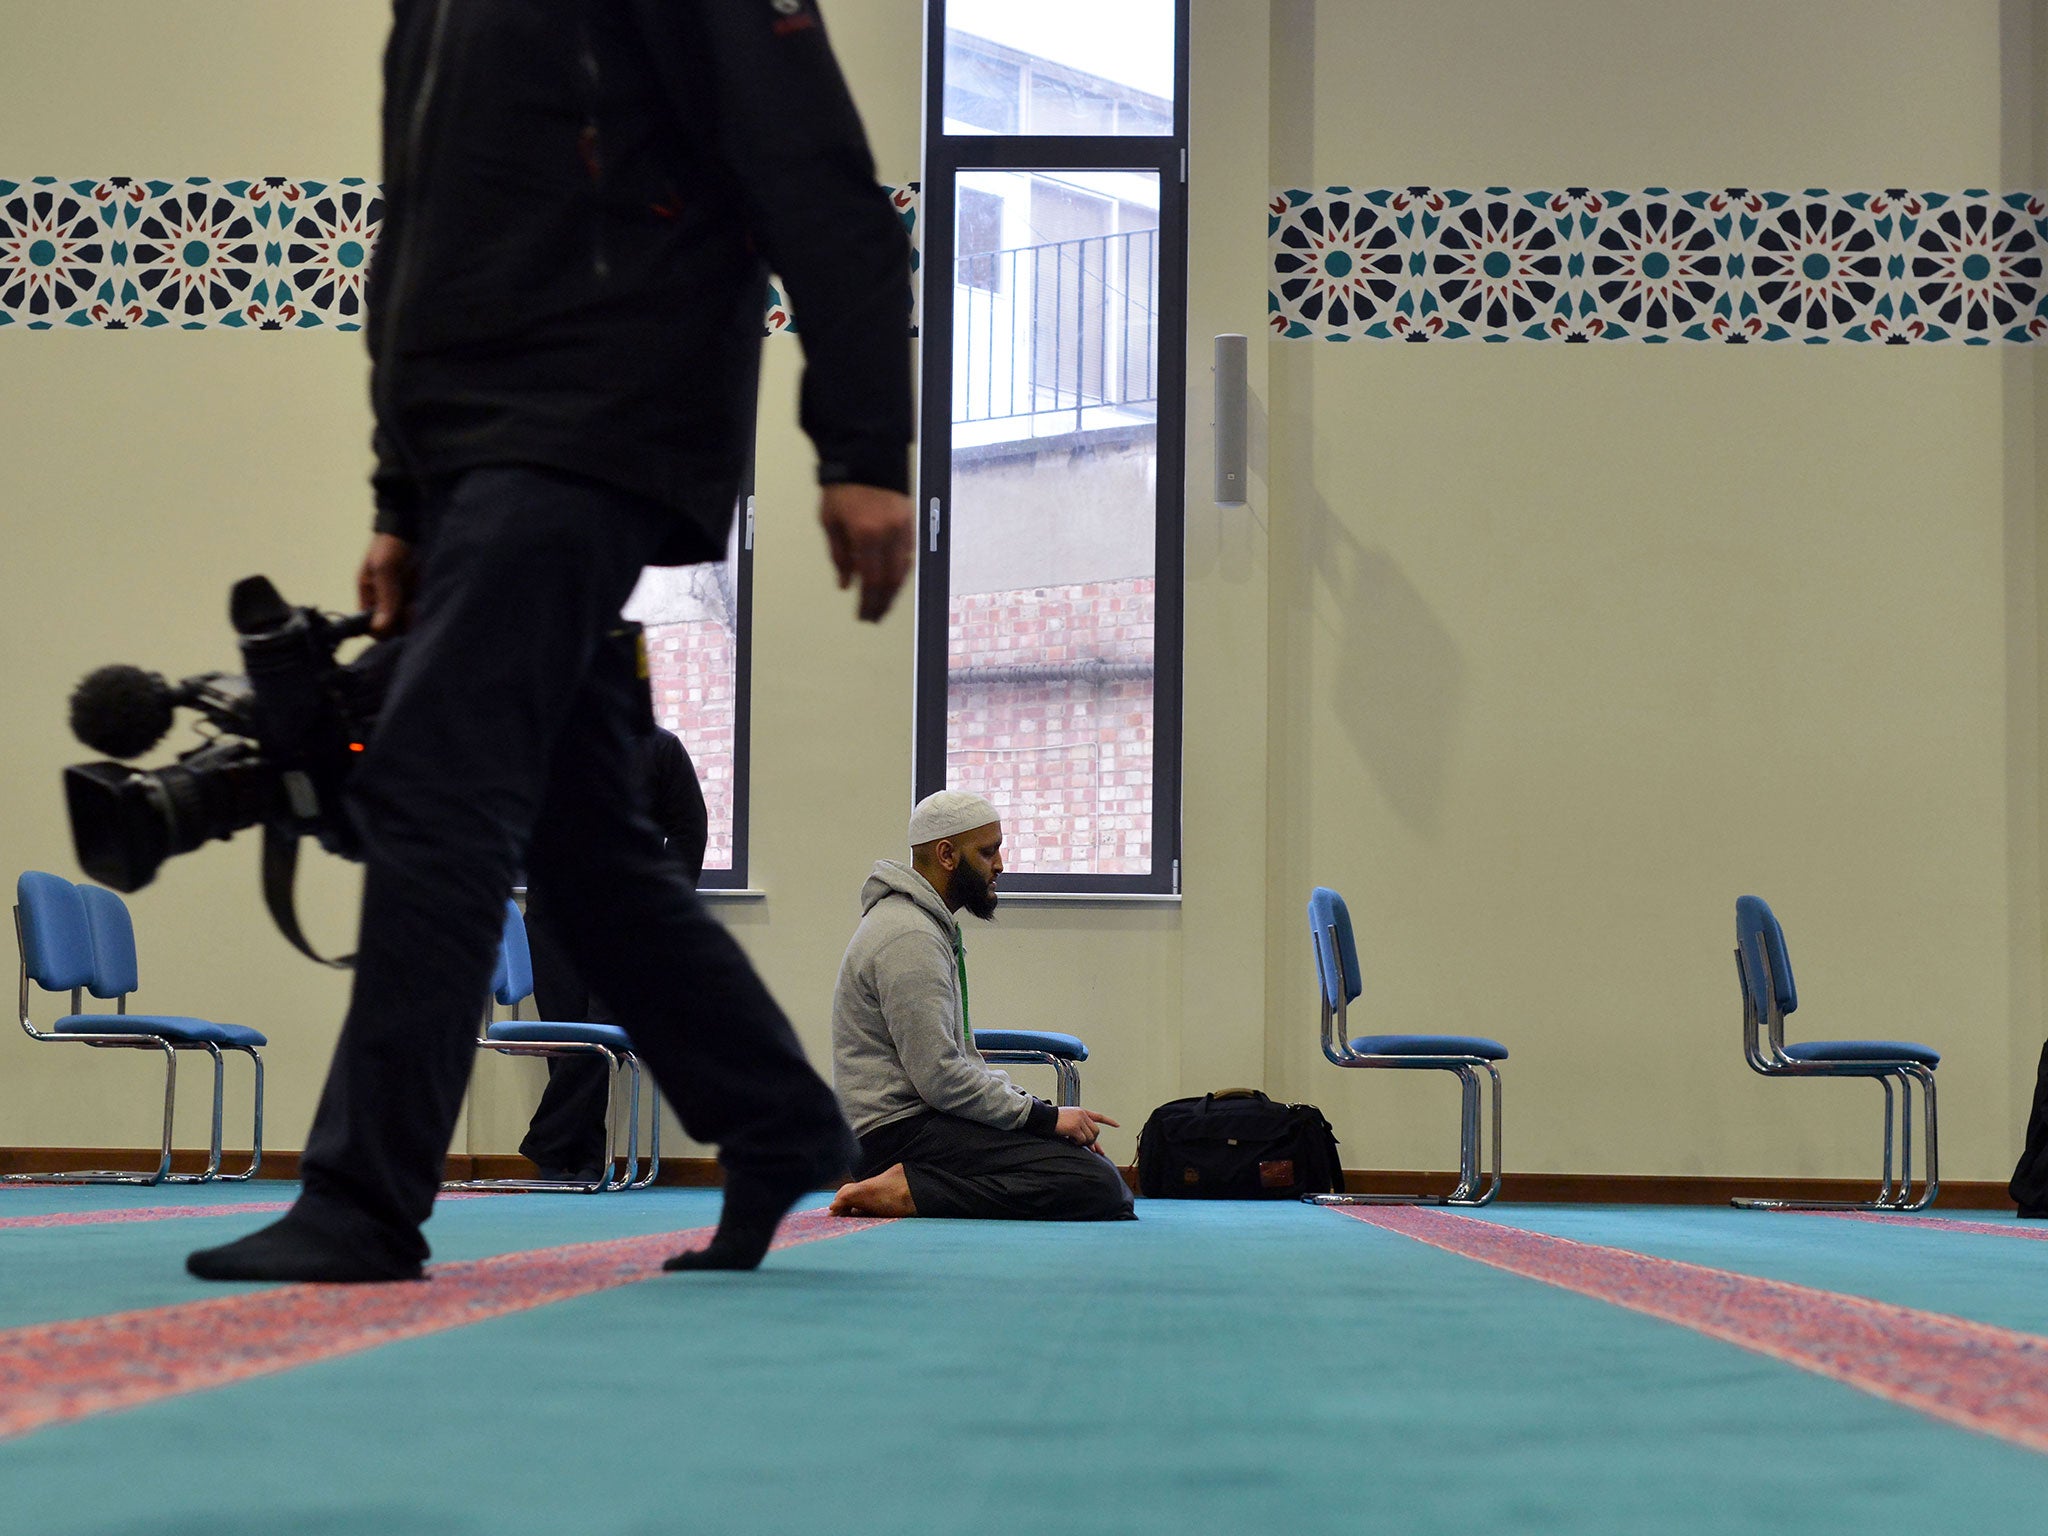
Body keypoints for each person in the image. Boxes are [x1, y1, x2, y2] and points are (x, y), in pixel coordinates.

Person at [188, 0, 914, 1283]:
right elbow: (421, 232)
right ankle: (774, 1119)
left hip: (598, 411)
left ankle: (362, 1199)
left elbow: (818, 177)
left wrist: (862, 447)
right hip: (481, 450)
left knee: (426, 776)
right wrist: (400, 497)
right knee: (584, 850)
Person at [827, 791, 1135, 1222]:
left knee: (1096, 1175)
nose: (1000, 865)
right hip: (897, 1134)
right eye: (988, 851)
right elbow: (940, 1078)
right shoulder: (908, 937)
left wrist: (1039, 1115)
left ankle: (918, 1185)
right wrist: (1043, 1120)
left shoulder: (923, 926)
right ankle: (910, 1190)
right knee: (1097, 1187)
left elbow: (958, 1064)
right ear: (947, 854)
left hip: (924, 1122)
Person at [520, 726, 708, 1183]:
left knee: (601, 1033)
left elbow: (689, 829)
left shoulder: (661, 748)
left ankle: (549, 1144)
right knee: (565, 1037)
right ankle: (579, 1158)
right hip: (554, 916)